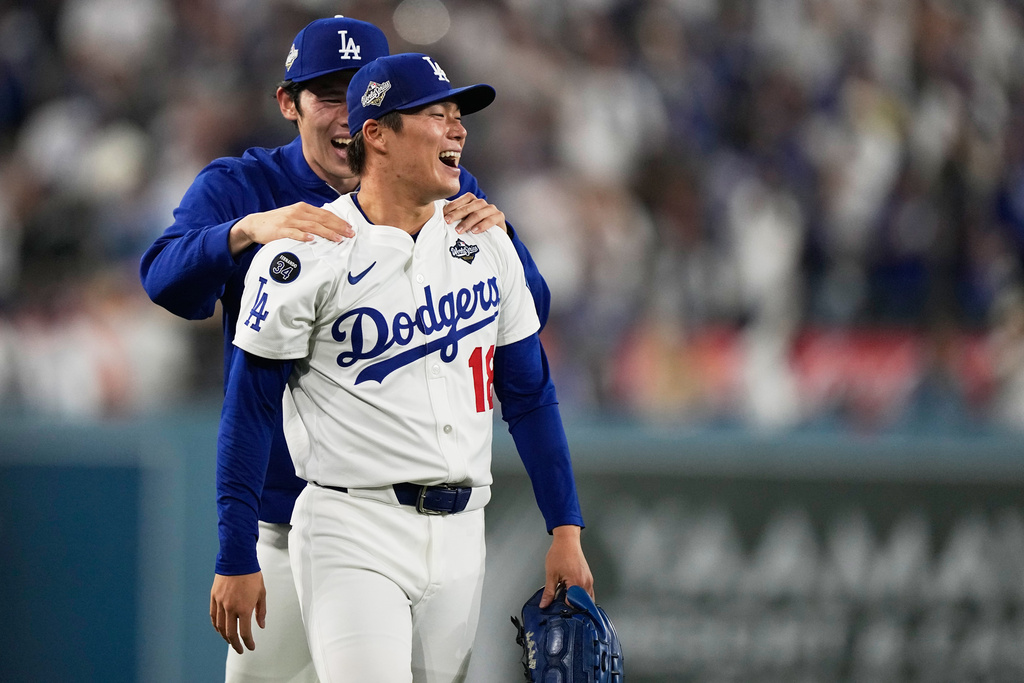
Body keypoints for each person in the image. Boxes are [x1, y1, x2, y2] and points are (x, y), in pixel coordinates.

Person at [138, 16, 551, 682]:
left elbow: (528, 312)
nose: (342, 112)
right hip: (286, 518)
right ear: (287, 102)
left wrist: (507, 242)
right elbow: (162, 276)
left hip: (408, 522)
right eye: (324, 94)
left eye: (354, 90)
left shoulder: (443, 185)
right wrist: (245, 230)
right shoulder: (246, 186)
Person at [217, 52, 593, 681]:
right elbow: (249, 410)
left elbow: (529, 396)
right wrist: (234, 554)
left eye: (458, 115)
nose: (458, 129)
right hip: (350, 524)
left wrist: (566, 527)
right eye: (436, 114)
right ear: (377, 134)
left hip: (463, 530)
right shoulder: (308, 250)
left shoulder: (487, 240)